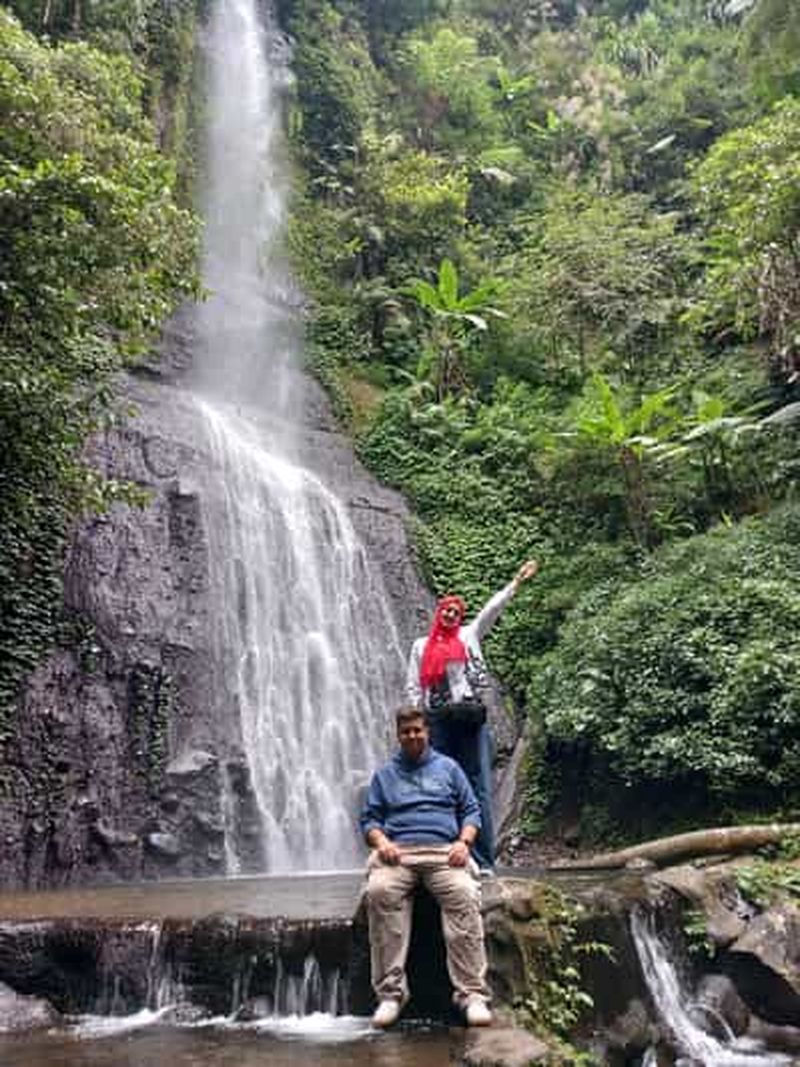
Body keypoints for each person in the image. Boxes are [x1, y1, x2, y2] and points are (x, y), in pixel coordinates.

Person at [360, 706, 492, 1030]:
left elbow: (471, 810)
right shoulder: (384, 775)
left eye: (418, 729)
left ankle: (472, 995)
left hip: (444, 852)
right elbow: (370, 821)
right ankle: (390, 995)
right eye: (406, 731)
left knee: (463, 893)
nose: (413, 736)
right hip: (399, 854)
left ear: (427, 731)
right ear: (398, 734)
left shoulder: (449, 769)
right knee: (379, 892)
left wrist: (464, 842)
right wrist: (382, 843)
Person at [406, 560, 539, 871]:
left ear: (460, 616)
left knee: (476, 786)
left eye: (456, 610)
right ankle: (443, 856)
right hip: (436, 721)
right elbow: (413, 685)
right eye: (446, 609)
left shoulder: (468, 637)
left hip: (467, 718)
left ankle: (481, 859)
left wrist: (516, 582)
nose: (451, 613)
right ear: (438, 612)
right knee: (438, 785)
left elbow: (492, 610)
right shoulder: (420, 646)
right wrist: (415, 723)